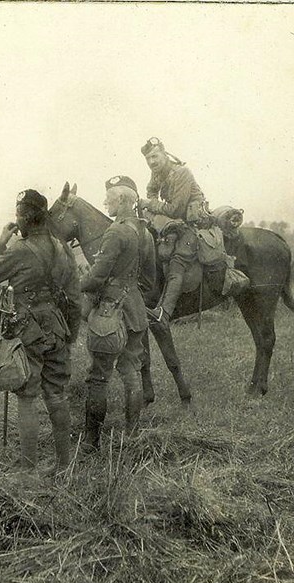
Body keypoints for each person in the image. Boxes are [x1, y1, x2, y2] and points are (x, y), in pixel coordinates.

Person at [0, 189, 81, 477]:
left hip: (29, 329)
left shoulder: (19, 250)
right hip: (58, 327)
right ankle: (63, 465)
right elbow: (74, 296)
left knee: (27, 396)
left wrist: (0, 241)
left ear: (25, 217)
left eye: (18, 215)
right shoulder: (63, 248)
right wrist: (71, 333)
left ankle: (28, 470)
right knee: (57, 395)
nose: (16, 221)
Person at [80, 176, 156, 450]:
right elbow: (150, 279)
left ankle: (90, 441)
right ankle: (132, 435)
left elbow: (97, 276)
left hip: (109, 313)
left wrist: (76, 286)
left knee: (99, 377)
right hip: (134, 311)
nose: (105, 203)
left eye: (109, 199)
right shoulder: (144, 232)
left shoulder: (114, 232)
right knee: (131, 371)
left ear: (122, 200)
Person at [139, 137, 213, 325]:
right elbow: (151, 191)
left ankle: (164, 313)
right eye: (148, 159)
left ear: (165, 154)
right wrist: (152, 207)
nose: (151, 162)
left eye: (155, 156)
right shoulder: (156, 173)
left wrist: (150, 205)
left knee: (178, 260)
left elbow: (176, 210)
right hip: (172, 223)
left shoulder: (182, 173)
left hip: (192, 224)